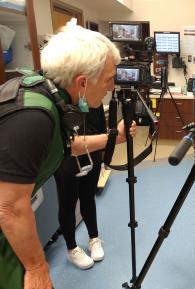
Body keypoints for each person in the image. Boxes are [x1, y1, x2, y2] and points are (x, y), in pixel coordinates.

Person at [0, 25, 136, 289]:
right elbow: (9, 207)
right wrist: (37, 268)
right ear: (82, 82)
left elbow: (69, 145)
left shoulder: (52, 98)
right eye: (108, 79)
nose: (112, 86)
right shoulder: (33, 116)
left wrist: (115, 138)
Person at [54, 105, 109, 270]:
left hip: (92, 154)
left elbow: (101, 130)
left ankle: (94, 238)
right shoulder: (60, 101)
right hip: (67, 159)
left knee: (88, 197)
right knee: (67, 203)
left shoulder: (94, 100)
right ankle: (72, 249)